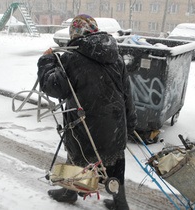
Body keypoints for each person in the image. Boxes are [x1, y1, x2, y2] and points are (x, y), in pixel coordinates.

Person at [37, 14, 137, 210]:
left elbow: (53, 87)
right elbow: (127, 92)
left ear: (75, 32)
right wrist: (130, 123)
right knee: (115, 162)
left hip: (86, 125)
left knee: (77, 153)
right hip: (116, 125)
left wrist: (46, 61)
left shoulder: (72, 58)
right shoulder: (114, 56)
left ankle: (69, 192)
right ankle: (120, 203)